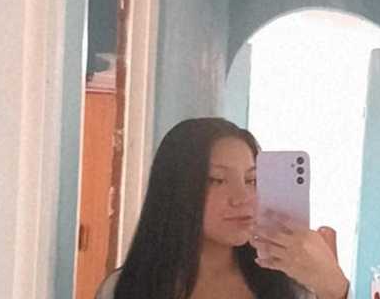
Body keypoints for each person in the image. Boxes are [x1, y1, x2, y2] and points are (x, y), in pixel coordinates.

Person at [96, 117, 351, 299]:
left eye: (251, 180)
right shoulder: (124, 289)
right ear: (176, 189)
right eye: (216, 180)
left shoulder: (292, 287)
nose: (242, 198)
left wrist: (336, 289)